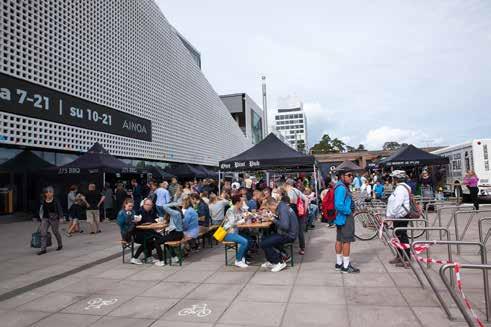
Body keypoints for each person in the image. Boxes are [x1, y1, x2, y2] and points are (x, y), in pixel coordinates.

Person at [261, 197, 298, 272]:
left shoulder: (282, 209)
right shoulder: (282, 205)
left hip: (289, 235)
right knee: (264, 238)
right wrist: (274, 217)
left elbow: (285, 226)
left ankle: (279, 262)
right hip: (288, 233)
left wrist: (273, 219)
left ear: (272, 205)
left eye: (269, 208)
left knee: (264, 243)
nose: (270, 210)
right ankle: (271, 261)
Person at [334, 169, 360, 273]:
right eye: (349, 175)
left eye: (352, 175)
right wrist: (348, 211)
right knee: (346, 241)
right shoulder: (342, 188)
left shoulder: (341, 186)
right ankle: (345, 266)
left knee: (339, 239)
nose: (351, 177)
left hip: (340, 218)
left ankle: (339, 263)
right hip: (345, 217)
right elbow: (338, 204)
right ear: (342, 176)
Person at [386, 170, 412, 268]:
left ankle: (406, 258)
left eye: (393, 178)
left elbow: (397, 204)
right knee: (398, 236)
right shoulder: (400, 187)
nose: (392, 179)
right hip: (398, 215)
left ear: (396, 179)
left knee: (402, 236)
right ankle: (400, 255)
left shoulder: (401, 188)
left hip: (400, 216)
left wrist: (390, 215)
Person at [132, 198, 166, 266]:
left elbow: (155, 219)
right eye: (147, 205)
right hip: (139, 233)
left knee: (157, 238)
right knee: (151, 239)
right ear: (144, 204)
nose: (149, 206)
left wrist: (159, 220)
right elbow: (137, 222)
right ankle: (136, 258)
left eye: (151, 205)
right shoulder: (139, 211)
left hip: (148, 231)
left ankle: (148, 257)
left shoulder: (151, 211)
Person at [223, 194, 249, 268]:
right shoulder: (231, 210)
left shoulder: (240, 209)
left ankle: (243, 257)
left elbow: (244, 214)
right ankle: (238, 260)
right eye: (241, 202)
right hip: (228, 233)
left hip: (236, 232)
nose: (243, 203)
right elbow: (232, 223)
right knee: (244, 241)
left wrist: (246, 215)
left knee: (250, 239)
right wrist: (243, 220)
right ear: (237, 202)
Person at [36, 186, 63, 255]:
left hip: (54, 218)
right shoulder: (42, 200)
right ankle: (43, 249)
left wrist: (61, 217)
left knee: (55, 232)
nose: (49, 193)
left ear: (53, 193)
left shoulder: (56, 200)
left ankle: (60, 244)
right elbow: (40, 209)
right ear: (45, 194)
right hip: (45, 218)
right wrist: (39, 218)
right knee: (43, 233)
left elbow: (59, 209)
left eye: (50, 192)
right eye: (47, 192)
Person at [284, 178, 307, 255]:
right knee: (300, 230)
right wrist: (305, 210)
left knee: (288, 228)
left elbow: (289, 203)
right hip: (300, 212)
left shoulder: (289, 191)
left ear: (287, 184)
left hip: (293, 212)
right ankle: (302, 248)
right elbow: (306, 199)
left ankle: (287, 245)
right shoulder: (297, 191)